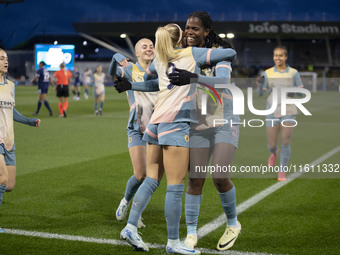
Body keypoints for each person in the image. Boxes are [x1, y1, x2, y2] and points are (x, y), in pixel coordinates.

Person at [118, 23, 236, 254]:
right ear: (181, 37)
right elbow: (230, 52)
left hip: (155, 123)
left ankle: (131, 226)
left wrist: (131, 84)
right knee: (175, 186)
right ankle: (173, 243)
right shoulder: (191, 53)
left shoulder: (160, 59)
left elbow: (153, 81)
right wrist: (206, 57)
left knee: (152, 179)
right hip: (176, 123)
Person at [165, 11, 241, 251]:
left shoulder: (218, 51)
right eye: (187, 28)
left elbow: (223, 82)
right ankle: (190, 233)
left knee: (219, 176)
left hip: (223, 122)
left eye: (195, 29)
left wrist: (194, 77)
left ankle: (233, 224)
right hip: (197, 124)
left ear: (206, 32)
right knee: (196, 179)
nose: (189, 32)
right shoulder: (185, 54)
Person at [109, 38, 158, 229]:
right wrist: (118, 57)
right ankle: (126, 201)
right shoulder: (130, 69)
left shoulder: (158, 71)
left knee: (152, 177)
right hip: (137, 127)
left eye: (151, 46)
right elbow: (113, 71)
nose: (149, 48)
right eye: (144, 46)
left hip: (157, 128)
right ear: (136, 53)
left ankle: (137, 214)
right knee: (141, 174)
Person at [0, 48, 41, 233]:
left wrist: (29, 121)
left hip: (10, 140)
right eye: (1, 58)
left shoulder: (10, 85)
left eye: (6, 58)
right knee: (2, 180)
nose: (5, 61)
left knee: (9, 185)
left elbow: (11, 111)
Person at [258, 45, 303, 181]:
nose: (278, 58)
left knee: (285, 141)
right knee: (272, 145)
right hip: (272, 110)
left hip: (289, 109)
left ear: (286, 57)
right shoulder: (268, 73)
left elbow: (301, 93)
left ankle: (282, 170)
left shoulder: (294, 73)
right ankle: (274, 152)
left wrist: (294, 91)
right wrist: (259, 85)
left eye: (281, 55)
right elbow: (260, 94)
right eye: (276, 55)